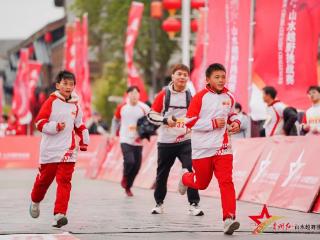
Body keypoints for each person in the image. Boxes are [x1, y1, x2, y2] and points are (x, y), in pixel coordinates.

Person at [178, 63, 241, 235]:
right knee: (201, 184)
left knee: (226, 181)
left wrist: (235, 122)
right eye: (217, 77)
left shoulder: (230, 96)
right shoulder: (200, 97)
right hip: (202, 148)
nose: (221, 80)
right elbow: (189, 121)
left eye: (223, 76)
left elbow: (231, 114)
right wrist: (212, 124)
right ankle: (185, 178)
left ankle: (229, 219)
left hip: (223, 147)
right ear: (208, 79)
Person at [29, 70, 89, 228]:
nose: (68, 87)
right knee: (44, 181)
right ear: (58, 85)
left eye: (71, 84)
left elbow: (79, 124)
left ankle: (59, 214)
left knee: (64, 181)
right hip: (49, 150)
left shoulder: (76, 104)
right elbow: (39, 123)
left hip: (68, 150)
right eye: (65, 84)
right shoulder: (51, 101)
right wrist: (55, 127)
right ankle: (35, 201)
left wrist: (84, 137)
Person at [147, 64, 203, 216]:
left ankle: (194, 204)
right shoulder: (164, 94)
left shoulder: (190, 95)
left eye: (185, 75)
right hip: (166, 141)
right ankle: (159, 203)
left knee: (191, 169)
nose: (182, 77)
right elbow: (151, 115)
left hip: (186, 139)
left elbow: (197, 115)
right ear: (172, 76)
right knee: (162, 174)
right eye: (179, 74)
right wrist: (165, 120)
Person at [111, 86, 150, 197]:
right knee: (130, 161)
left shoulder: (144, 108)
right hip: (125, 139)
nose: (134, 95)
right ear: (128, 95)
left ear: (139, 95)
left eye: (136, 93)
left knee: (137, 167)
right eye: (132, 93)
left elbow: (151, 120)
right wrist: (113, 134)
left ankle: (128, 186)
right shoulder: (122, 107)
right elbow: (115, 121)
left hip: (138, 140)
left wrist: (146, 132)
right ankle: (125, 176)